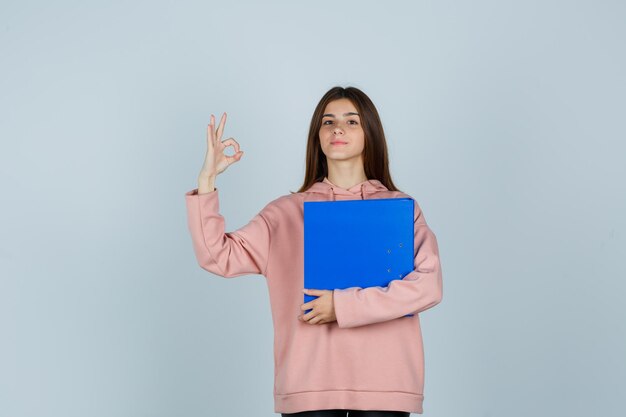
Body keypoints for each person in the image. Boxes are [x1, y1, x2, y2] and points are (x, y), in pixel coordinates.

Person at [184, 86, 443, 416]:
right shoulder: (286, 213)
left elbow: (429, 285)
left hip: (386, 381)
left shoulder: (400, 209)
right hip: (308, 381)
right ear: (316, 136)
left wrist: (342, 306)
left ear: (370, 133)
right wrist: (206, 181)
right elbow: (217, 255)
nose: (338, 128)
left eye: (352, 121)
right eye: (328, 121)